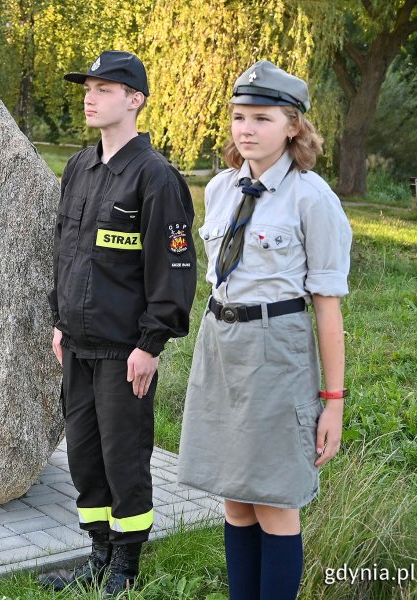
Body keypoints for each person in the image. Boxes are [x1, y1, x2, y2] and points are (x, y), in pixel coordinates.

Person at [177, 61, 352, 599]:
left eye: (262, 117)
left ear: (293, 125)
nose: (246, 129)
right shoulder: (223, 188)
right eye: (238, 117)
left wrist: (334, 401)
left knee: (274, 499)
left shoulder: (311, 197)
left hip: (277, 349)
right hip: (220, 344)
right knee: (234, 495)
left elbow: (326, 308)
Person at [38, 50, 197, 595]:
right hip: (76, 345)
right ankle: (97, 554)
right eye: (88, 86)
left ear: (135, 100)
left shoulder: (156, 178)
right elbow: (66, 252)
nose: (90, 96)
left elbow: (172, 270)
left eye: (104, 88)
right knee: (84, 457)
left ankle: (126, 568)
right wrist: (60, 322)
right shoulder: (80, 168)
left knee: (123, 460)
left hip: (125, 351)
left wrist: (152, 343)